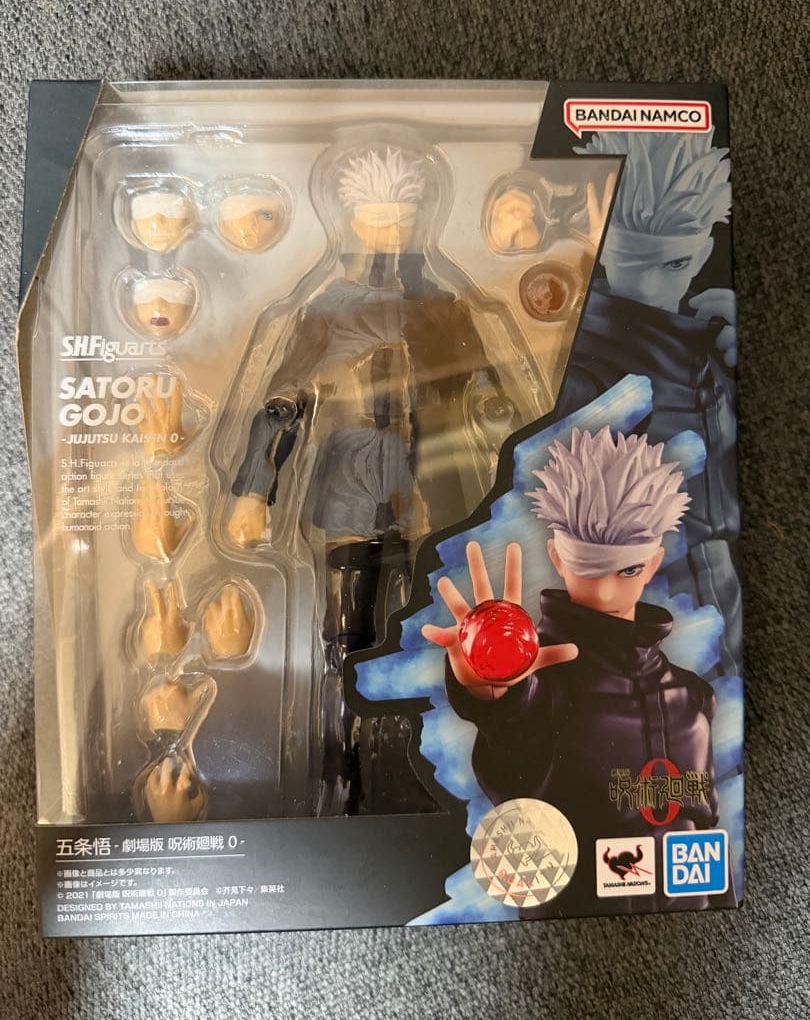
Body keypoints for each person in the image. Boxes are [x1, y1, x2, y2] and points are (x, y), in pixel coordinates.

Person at [226, 146, 519, 814]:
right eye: (375, 218)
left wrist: (507, 431)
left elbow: (490, 394)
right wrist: (254, 488)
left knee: (439, 632)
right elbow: (282, 401)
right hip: (350, 482)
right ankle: (341, 776)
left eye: (400, 218)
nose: (388, 233)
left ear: (418, 221)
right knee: (345, 639)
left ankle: (437, 777)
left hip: (434, 481)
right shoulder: (326, 309)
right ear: (353, 222)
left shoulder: (444, 307)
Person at [423, 426, 728, 916]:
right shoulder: (544, 684)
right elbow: (513, 727)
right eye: (588, 567)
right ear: (557, 558)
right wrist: (493, 686)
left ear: (652, 564)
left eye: (627, 570)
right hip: (575, 939)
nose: (605, 592)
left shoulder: (693, 697)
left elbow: (707, 839)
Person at [562, 131, 740, 674]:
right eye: (629, 261)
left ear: (703, 252)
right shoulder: (576, 361)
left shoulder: (708, 343)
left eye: (674, 265)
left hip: (719, 591)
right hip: (637, 607)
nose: (648, 292)